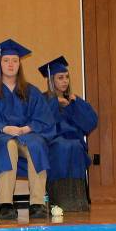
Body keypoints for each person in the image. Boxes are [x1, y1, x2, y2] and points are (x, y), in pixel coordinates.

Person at [0, 38, 55, 220]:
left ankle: (37, 203)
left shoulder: (31, 91)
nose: (10, 64)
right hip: (1, 137)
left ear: (20, 64)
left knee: (37, 145)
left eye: (14, 60)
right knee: (8, 146)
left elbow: (43, 118)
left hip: (27, 134)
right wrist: (4, 128)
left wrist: (29, 127)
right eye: (6, 60)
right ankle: (5, 204)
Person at [40, 56, 98, 212]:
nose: (64, 81)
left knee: (75, 146)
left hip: (74, 141)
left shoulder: (74, 99)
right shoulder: (43, 99)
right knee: (62, 146)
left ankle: (78, 200)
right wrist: (55, 102)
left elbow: (90, 123)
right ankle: (58, 199)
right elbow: (41, 123)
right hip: (53, 142)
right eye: (60, 78)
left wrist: (75, 104)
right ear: (51, 80)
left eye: (66, 77)